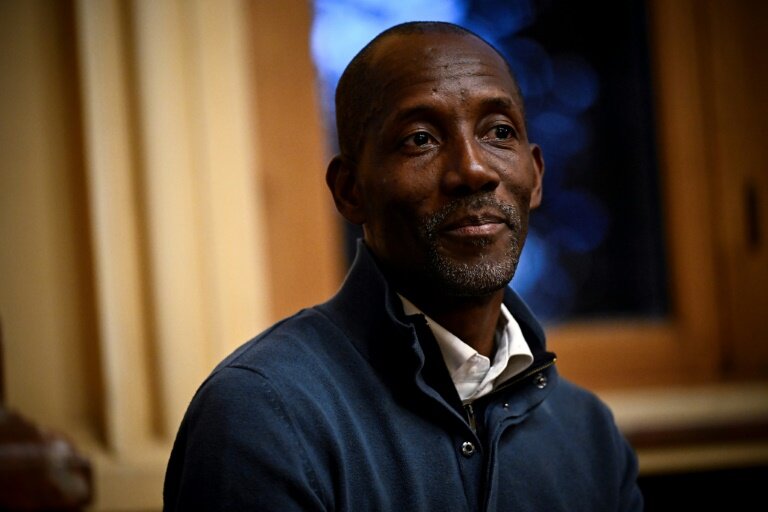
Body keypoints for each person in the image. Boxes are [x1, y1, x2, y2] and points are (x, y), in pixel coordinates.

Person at [163, 21, 644, 511]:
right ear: (351, 191)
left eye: (499, 132)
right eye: (420, 139)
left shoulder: (588, 435)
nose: (474, 170)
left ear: (535, 176)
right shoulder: (262, 415)